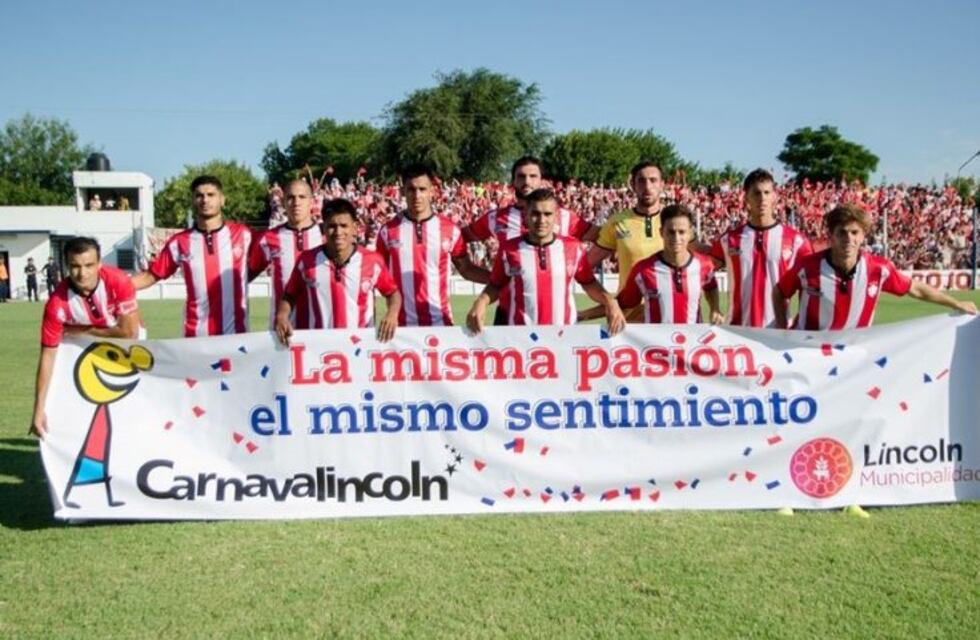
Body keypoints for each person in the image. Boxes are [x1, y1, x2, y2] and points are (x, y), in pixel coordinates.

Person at [774, 203, 977, 330]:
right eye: (842, 232)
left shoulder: (878, 269)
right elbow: (780, 292)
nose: (848, 239)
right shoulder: (807, 267)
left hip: (852, 355)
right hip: (808, 353)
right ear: (831, 236)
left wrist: (955, 304)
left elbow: (915, 288)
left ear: (863, 236)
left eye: (854, 233)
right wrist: (783, 329)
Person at [467, 189, 625, 333]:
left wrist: (610, 301)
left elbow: (589, 283)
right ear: (526, 216)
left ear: (555, 216)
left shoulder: (573, 248)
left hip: (564, 336)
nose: (541, 220)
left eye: (547, 214)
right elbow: (495, 285)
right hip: (520, 337)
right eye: (535, 213)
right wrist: (481, 301)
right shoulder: (509, 249)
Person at [463, 156, 598, 324]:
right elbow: (456, 240)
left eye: (533, 176)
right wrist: (476, 273)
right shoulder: (495, 218)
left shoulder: (563, 216)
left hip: (554, 318)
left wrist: (585, 263)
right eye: (521, 176)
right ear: (512, 181)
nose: (527, 181)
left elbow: (603, 238)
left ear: (542, 180)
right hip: (508, 313)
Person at [30, 237, 142, 438]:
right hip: (89, 356)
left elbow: (128, 332)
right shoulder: (56, 304)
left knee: (131, 414)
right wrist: (38, 409)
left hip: (129, 350)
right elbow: (47, 356)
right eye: (75, 266)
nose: (82, 273)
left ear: (99, 264)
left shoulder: (119, 281)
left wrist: (84, 331)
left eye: (89, 265)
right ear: (66, 266)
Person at [131, 175, 255, 337]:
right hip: (196, 337)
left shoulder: (243, 234)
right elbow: (150, 276)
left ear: (222, 200)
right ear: (193, 201)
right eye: (199, 195)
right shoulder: (180, 242)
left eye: (211, 195)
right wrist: (109, 285)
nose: (205, 200)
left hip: (237, 336)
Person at [275, 198, 401, 344]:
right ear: (323, 228)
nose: (338, 232)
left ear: (355, 228)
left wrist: (392, 314)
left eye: (344, 225)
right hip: (319, 348)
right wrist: (282, 316)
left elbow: (392, 293)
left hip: (362, 346)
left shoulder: (372, 261)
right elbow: (289, 295)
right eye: (332, 226)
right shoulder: (307, 260)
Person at [375, 165, 489, 326]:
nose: (417, 195)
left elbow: (466, 269)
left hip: (441, 323)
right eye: (411, 189)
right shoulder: (388, 231)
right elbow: (379, 276)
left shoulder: (450, 230)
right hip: (401, 328)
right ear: (402, 191)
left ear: (432, 191)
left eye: (422, 189)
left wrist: (500, 281)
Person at [580, 204, 723, 325]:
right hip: (654, 352)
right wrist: (581, 315)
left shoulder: (704, 265)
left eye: (682, 232)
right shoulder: (643, 270)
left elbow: (711, 286)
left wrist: (715, 308)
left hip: (691, 349)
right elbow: (622, 304)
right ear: (661, 233)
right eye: (671, 232)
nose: (676, 238)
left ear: (690, 234)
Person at [706, 168, 812, 328]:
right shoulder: (729, 239)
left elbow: (809, 284)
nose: (762, 198)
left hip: (779, 333)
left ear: (775, 197)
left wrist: (800, 321)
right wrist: (715, 307)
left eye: (767, 192)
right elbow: (702, 269)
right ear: (746, 198)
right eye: (756, 193)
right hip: (738, 332)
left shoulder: (797, 240)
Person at [587, 162, 668, 321]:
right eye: (641, 180)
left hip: (668, 317)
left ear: (662, 184)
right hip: (627, 320)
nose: (647, 186)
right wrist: (607, 299)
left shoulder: (675, 222)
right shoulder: (618, 222)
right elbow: (584, 266)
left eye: (653, 180)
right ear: (632, 184)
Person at [250, 179, 322, 329]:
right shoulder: (269, 238)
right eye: (290, 197)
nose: (296, 202)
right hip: (281, 331)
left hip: (320, 332)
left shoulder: (326, 235)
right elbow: (245, 276)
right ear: (283, 202)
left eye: (302, 197)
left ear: (312, 202)